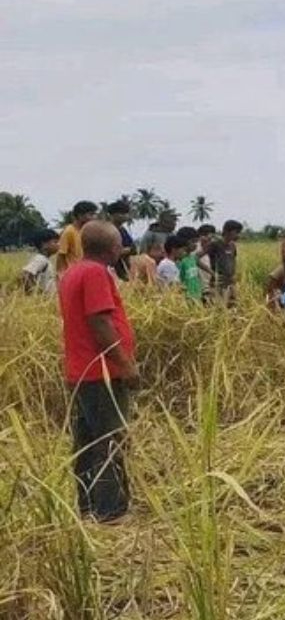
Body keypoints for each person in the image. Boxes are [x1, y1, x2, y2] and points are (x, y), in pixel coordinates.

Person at [58, 220, 138, 523]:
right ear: (112, 247)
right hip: (101, 372)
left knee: (88, 442)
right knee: (110, 439)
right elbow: (100, 323)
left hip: (81, 371)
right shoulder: (95, 273)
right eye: (119, 243)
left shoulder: (74, 271)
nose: (122, 247)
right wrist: (126, 365)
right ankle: (110, 510)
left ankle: (88, 505)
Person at [56, 200, 100, 274]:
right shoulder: (69, 231)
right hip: (72, 273)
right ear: (80, 216)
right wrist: (62, 274)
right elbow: (61, 255)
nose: (94, 217)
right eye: (91, 214)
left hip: (84, 272)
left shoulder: (87, 231)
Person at [207, 220, 243, 305]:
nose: (238, 235)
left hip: (230, 283)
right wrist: (212, 273)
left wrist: (234, 275)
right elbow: (196, 258)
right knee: (219, 308)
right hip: (218, 284)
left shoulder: (233, 246)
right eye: (236, 232)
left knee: (233, 306)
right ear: (227, 231)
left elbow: (233, 260)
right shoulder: (215, 244)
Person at [21, 228, 60, 294]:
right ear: (44, 244)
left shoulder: (45, 260)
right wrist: (35, 293)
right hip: (43, 300)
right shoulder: (40, 259)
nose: (58, 245)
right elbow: (26, 274)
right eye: (55, 242)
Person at [105, 200, 137, 281]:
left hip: (124, 268)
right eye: (122, 213)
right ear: (113, 214)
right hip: (111, 269)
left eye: (126, 213)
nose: (125, 216)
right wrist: (123, 251)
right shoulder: (106, 230)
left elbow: (133, 248)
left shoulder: (123, 230)